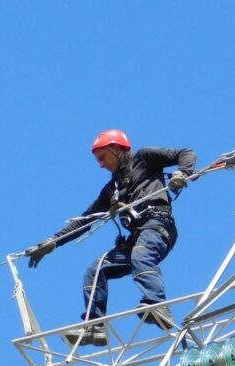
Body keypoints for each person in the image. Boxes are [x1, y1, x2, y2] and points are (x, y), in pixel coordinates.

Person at [25, 129, 196, 346]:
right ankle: (94, 327)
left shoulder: (144, 158)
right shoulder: (112, 190)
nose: (101, 165)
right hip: (137, 237)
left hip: (158, 226)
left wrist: (183, 172)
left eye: (103, 157)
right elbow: (85, 220)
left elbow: (186, 153)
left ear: (117, 149)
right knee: (96, 270)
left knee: (141, 255)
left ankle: (157, 304)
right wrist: (53, 242)